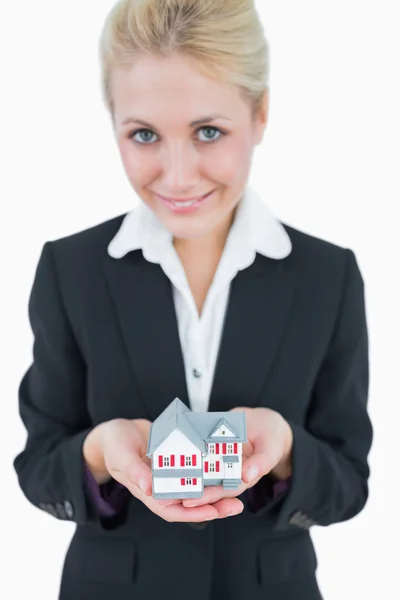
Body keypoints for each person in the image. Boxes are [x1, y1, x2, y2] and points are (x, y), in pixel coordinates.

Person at [13, 1, 373, 599]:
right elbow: (38, 467)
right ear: (114, 124)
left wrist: (285, 449)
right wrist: (99, 453)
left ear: (259, 115)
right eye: (144, 134)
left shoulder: (327, 276)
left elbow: (348, 484)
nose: (177, 177)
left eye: (209, 131)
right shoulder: (69, 270)